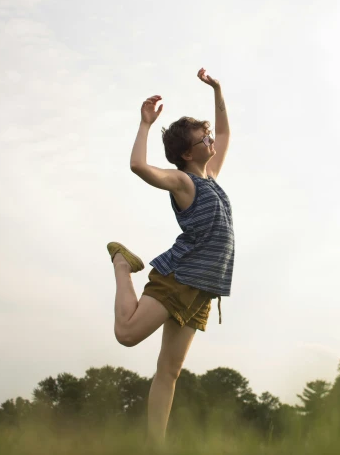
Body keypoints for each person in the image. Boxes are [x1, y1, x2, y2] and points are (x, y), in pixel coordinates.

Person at [107, 67, 234, 442]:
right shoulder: (184, 181)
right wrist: (145, 124)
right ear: (185, 152)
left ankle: (154, 445)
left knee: (169, 371)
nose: (210, 139)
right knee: (127, 333)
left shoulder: (210, 175)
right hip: (181, 276)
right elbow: (138, 167)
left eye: (207, 134)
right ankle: (120, 263)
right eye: (202, 137)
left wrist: (218, 89)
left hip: (201, 289)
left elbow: (225, 132)